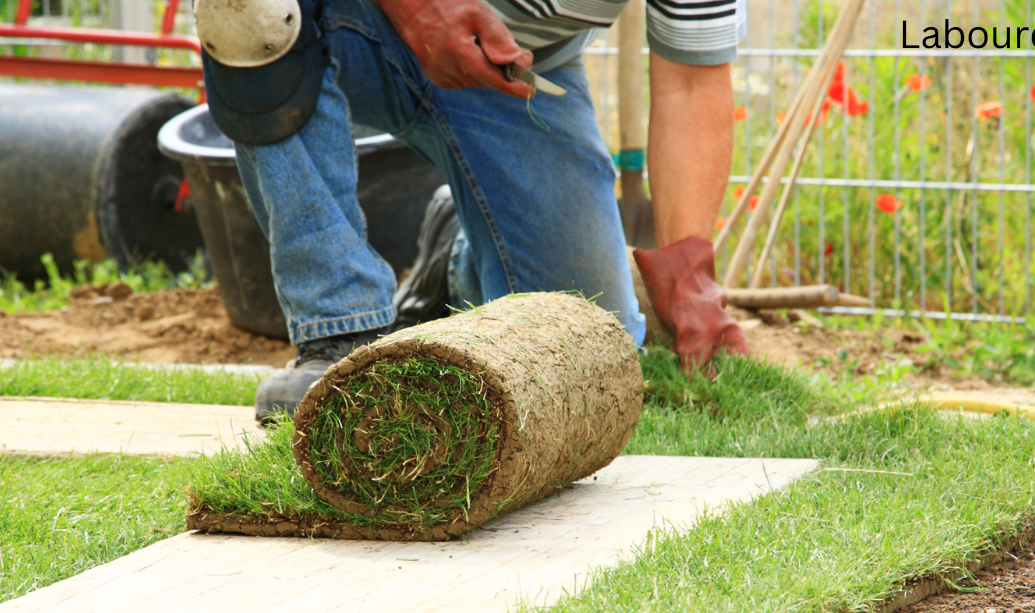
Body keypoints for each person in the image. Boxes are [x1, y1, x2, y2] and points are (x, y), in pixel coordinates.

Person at [200, 0, 753, 422]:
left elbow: (690, 83)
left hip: (510, 69)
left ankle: (455, 263)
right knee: (250, 9)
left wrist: (687, 276)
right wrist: (420, 9)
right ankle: (340, 334)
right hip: (355, 22)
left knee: (584, 353)